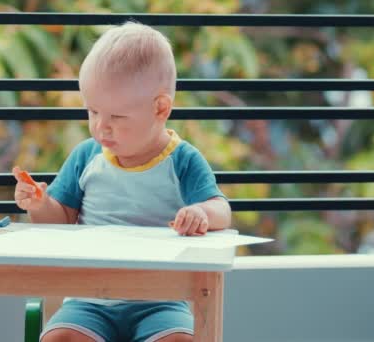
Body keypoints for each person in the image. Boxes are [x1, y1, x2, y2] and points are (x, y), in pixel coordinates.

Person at [13, 21, 231, 342]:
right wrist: (40, 204)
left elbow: (222, 210)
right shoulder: (87, 156)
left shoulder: (183, 161)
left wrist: (202, 213)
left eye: (116, 117)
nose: (101, 128)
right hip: (90, 300)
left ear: (160, 108)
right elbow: (60, 220)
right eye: (92, 112)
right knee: (60, 339)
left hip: (163, 301)